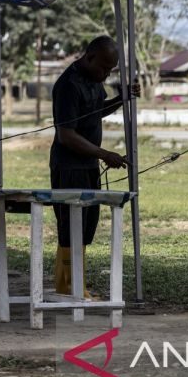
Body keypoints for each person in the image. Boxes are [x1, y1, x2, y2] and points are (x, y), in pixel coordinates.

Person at [49, 36, 138, 296]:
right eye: (103, 68)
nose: (106, 74)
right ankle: (68, 286)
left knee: (87, 226)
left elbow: (95, 111)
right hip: (68, 167)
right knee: (70, 225)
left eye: (111, 69)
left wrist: (122, 98)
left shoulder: (94, 81)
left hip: (88, 166)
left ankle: (75, 283)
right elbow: (66, 135)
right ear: (89, 57)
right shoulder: (68, 85)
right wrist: (103, 154)